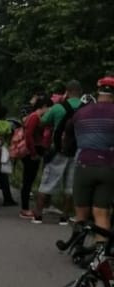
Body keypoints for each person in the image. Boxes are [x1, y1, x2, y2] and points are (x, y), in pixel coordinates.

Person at [65, 75, 114, 249]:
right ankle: (100, 252)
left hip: (84, 164)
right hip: (109, 167)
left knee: (81, 213)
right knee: (101, 213)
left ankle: (77, 247)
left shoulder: (82, 112)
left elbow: (68, 132)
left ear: (98, 91)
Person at [32, 79, 84, 224]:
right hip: (78, 152)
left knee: (47, 182)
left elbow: (42, 122)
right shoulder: (86, 108)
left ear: (67, 91)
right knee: (70, 186)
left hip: (58, 150)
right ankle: (64, 218)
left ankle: (38, 215)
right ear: (80, 93)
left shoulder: (58, 108)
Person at [18, 97, 53, 219]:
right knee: (27, 180)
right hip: (30, 152)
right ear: (43, 106)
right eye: (49, 108)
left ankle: (25, 207)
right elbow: (28, 135)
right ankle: (24, 208)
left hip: (34, 150)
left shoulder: (36, 117)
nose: (49, 111)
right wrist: (33, 153)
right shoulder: (34, 117)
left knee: (30, 180)